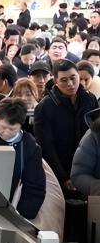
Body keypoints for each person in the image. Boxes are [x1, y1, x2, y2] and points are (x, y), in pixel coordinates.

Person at [34, 59, 99, 192]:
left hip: (89, 170)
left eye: (73, 78)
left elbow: (97, 134)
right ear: (55, 81)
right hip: (60, 172)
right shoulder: (44, 107)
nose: (70, 84)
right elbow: (46, 146)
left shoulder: (90, 99)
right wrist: (63, 177)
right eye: (64, 80)